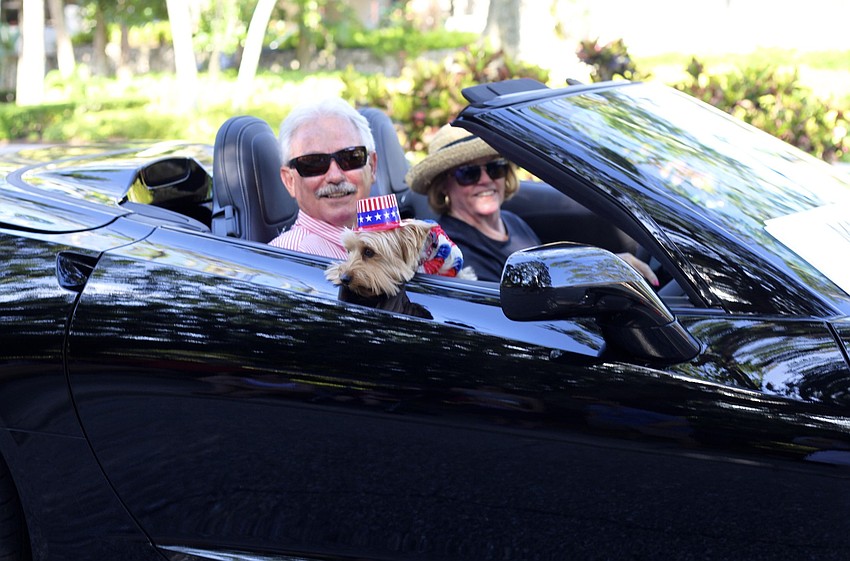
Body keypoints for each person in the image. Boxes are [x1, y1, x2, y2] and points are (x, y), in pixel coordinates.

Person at [405, 123, 658, 285]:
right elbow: (531, 296)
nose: (485, 181)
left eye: (496, 168)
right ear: (443, 185)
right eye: (468, 173)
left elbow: (546, 275)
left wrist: (605, 265)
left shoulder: (514, 223)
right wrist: (598, 270)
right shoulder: (448, 250)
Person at [269, 97, 377, 258]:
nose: (335, 176)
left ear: (372, 167)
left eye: (350, 157)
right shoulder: (288, 259)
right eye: (313, 163)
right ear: (289, 181)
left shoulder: (397, 239)